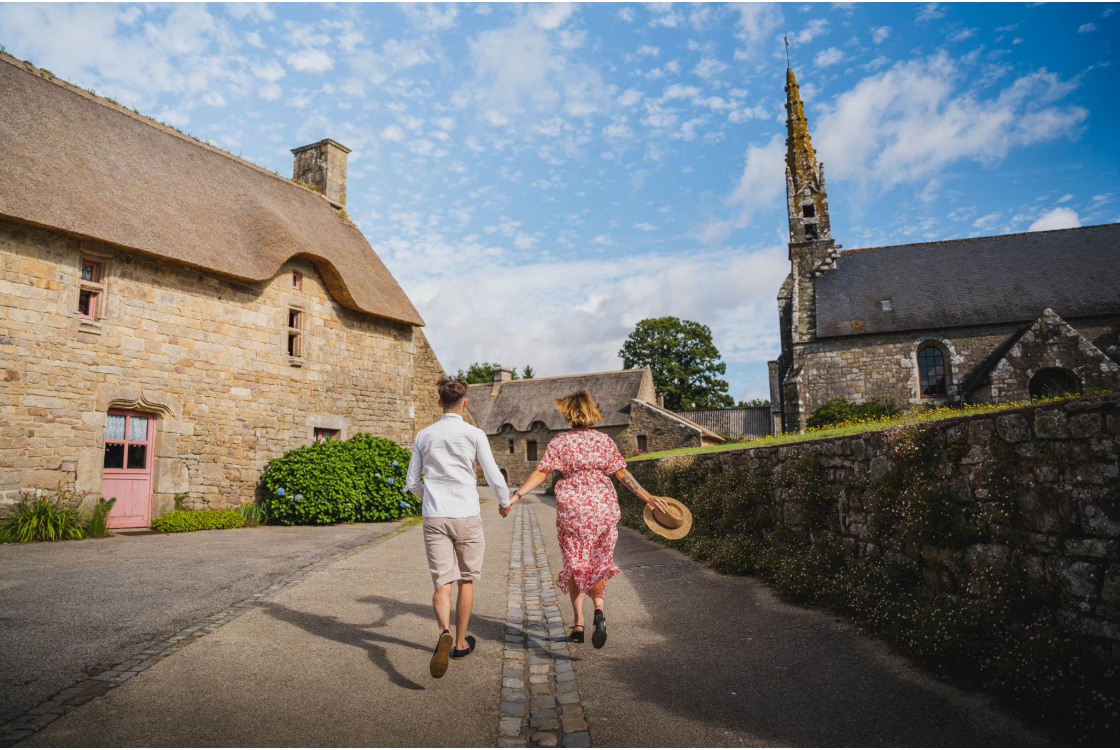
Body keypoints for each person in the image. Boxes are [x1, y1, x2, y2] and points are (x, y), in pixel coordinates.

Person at [502, 391, 668, 649]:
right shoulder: (604, 441)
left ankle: (578, 623)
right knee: (598, 562)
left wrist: (516, 495)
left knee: (575, 563)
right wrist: (647, 497)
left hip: (573, 512)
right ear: (593, 412)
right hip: (603, 510)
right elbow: (623, 474)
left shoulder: (560, 442)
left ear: (568, 414)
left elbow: (541, 472)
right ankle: (598, 610)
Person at [406, 376, 511, 678]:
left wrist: (430, 499)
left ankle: (443, 632)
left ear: (439, 402)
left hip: (435, 516)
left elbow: (412, 482)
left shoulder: (424, 435)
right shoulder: (475, 433)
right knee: (467, 579)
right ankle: (461, 642)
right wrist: (504, 502)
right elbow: (492, 474)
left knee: (442, 582)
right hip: (467, 514)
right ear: (465, 404)